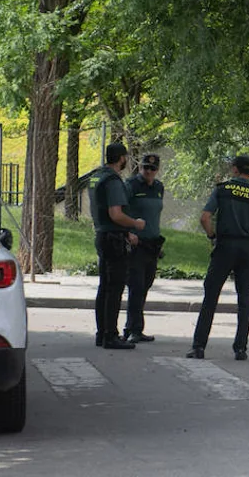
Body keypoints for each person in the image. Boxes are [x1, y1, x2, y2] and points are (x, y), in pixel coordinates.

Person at [187, 154, 249, 361]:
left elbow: (205, 217)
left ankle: (199, 346)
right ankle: (240, 349)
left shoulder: (222, 190)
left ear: (234, 169)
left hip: (224, 246)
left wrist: (212, 236)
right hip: (246, 251)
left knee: (211, 297)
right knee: (244, 299)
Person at [89, 142, 145, 350]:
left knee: (104, 286)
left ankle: (101, 333)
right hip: (113, 239)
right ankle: (110, 335)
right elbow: (116, 214)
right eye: (126, 158)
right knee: (115, 288)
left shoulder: (96, 176)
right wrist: (135, 224)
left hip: (102, 235)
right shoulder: (113, 181)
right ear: (121, 158)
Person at [122, 152, 165, 344]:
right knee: (136, 287)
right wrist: (127, 233)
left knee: (146, 285)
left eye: (152, 169)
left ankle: (136, 326)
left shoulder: (158, 188)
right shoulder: (131, 186)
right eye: (145, 167)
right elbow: (119, 211)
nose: (149, 171)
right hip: (136, 243)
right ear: (140, 168)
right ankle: (132, 329)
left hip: (152, 244)